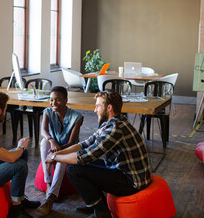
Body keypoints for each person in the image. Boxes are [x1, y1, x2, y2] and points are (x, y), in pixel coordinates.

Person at [44, 90, 151, 218]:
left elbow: (85, 156)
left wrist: (55, 157)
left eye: (98, 106)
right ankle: (95, 204)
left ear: (109, 108)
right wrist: (57, 154)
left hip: (131, 182)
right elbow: (84, 144)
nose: (95, 110)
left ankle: (101, 211)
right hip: (122, 171)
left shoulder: (115, 128)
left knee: (74, 170)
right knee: (79, 167)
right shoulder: (112, 123)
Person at [36, 86, 83, 215]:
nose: (53, 103)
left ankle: (51, 197)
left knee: (62, 160)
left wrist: (55, 154)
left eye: (57, 100)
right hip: (54, 145)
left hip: (69, 148)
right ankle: (48, 181)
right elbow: (43, 131)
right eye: (51, 100)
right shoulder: (48, 111)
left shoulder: (77, 117)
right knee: (44, 141)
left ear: (66, 100)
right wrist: (52, 141)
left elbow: (72, 143)